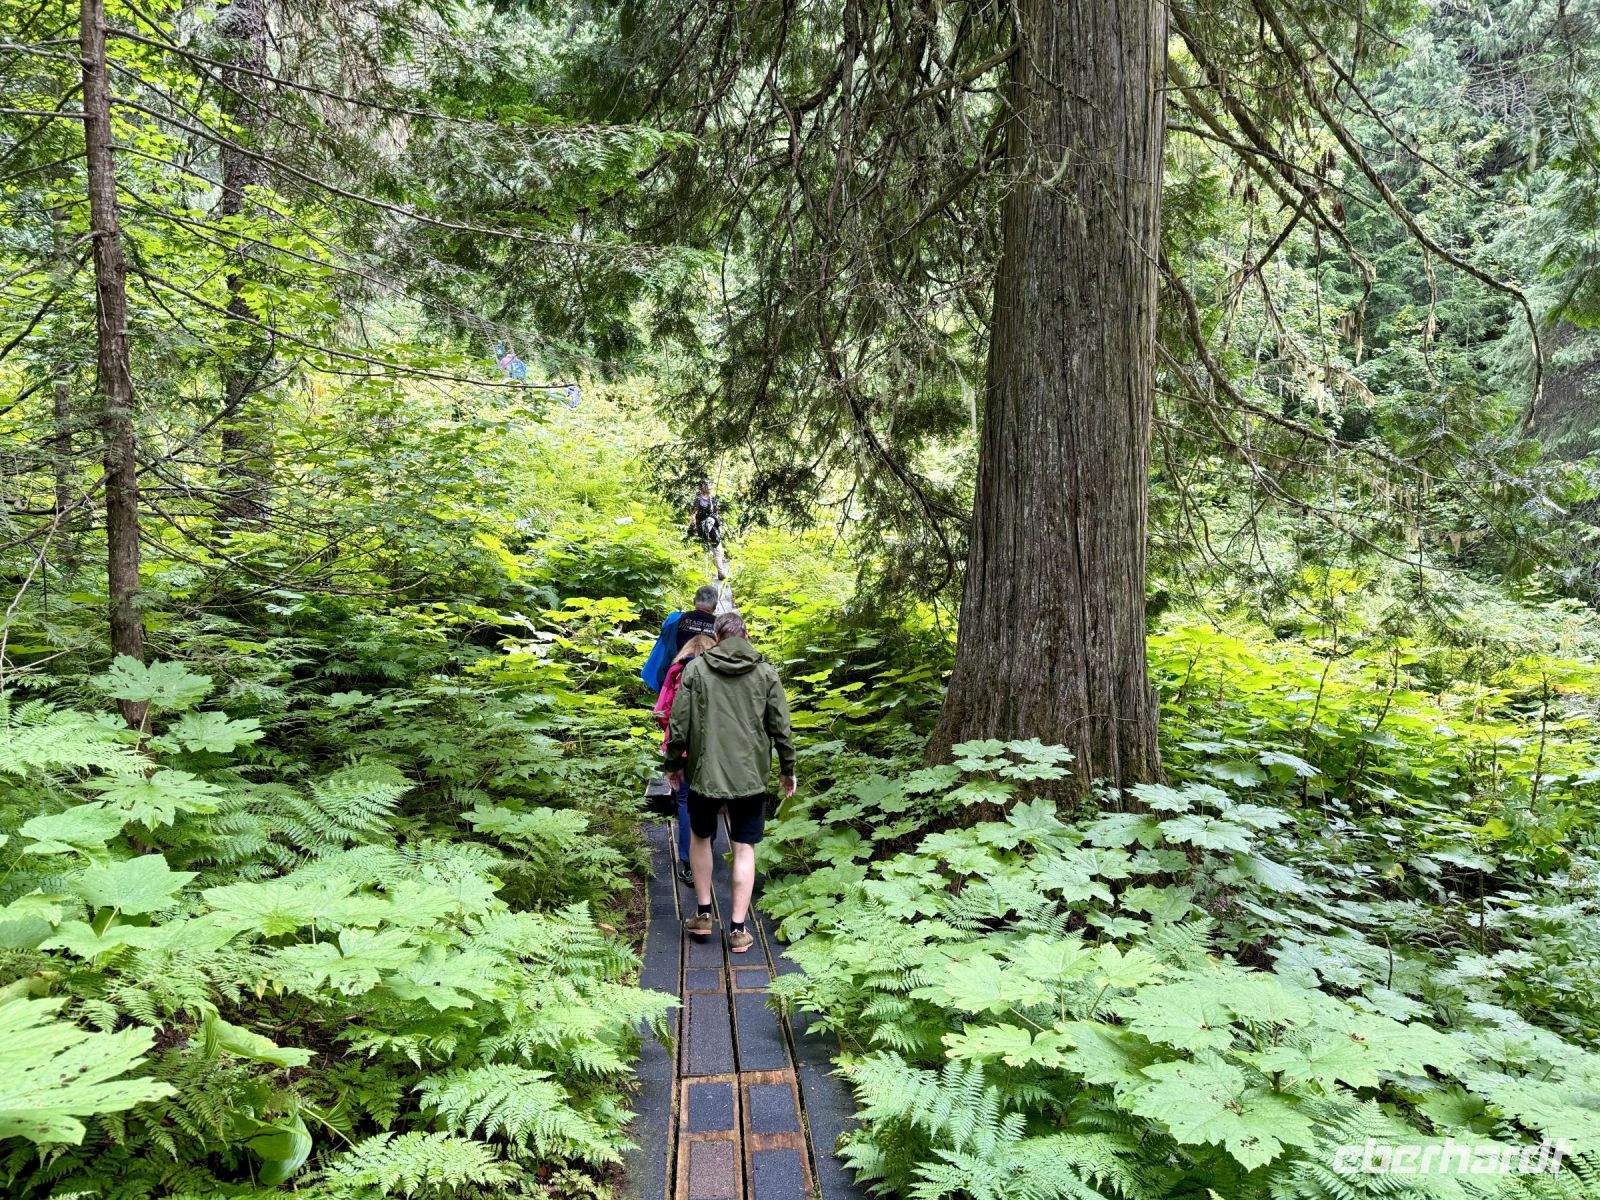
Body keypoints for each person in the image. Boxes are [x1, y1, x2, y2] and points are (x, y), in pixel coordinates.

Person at [665, 610, 796, 953]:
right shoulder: (765, 673)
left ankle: (703, 914)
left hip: (704, 774)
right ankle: (738, 930)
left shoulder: (696, 669)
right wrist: (787, 768)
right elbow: (781, 727)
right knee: (744, 848)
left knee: (700, 838)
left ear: (717, 638)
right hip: (750, 778)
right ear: (746, 636)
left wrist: (673, 764)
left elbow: (678, 724)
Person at [654, 634, 715, 886]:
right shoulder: (719, 671)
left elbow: (662, 711)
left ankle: (689, 862)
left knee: (684, 801)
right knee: (710, 800)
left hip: (683, 749)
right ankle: (707, 851)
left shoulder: (677, 670)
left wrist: (670, 740)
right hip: (712, 748)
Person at [641, 584, 719, 694]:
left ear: (694, 601)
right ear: (715, 605)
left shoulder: (675, 619)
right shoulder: (721, 625)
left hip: (678, 677)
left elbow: (665, 644)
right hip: (709, 680)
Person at [688, 480, 727, 580]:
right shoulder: (698, 500)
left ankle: (720, 572)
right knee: (713, 550)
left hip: (713, 527)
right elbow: (693, 515)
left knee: (718, 550)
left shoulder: (713, 499)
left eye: (710, 485)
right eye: (707, 485)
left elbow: (716, 513)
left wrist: (717, 524)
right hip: (702, 527)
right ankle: (719, 572)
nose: (709, 487)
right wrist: (694, 528)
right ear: (702, 488)